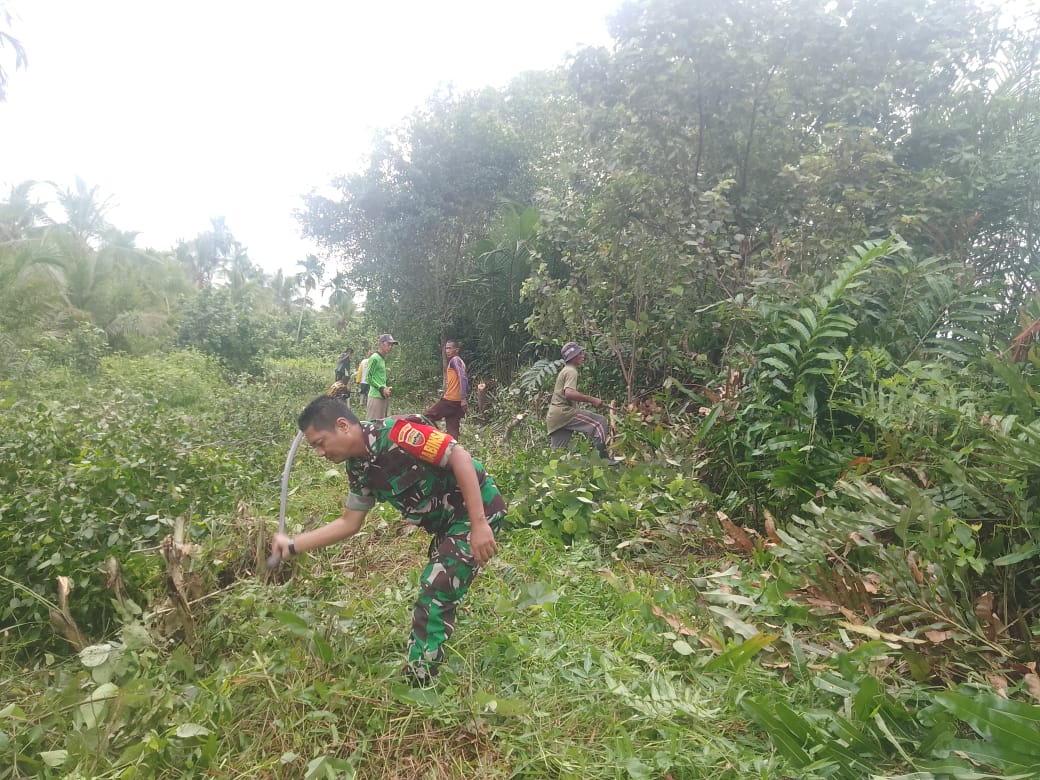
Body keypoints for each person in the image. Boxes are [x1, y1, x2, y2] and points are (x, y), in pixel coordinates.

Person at [270, 396, 506, 684]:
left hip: (476, 509)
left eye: (320, 442)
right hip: (446, 522)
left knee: (435, 588)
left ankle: (419, 682)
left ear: (342, 425)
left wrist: (479, 525)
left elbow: (459, 457)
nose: (320, 453)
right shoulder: (358, 468)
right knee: (443, 584)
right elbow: (349, 522)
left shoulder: (399, 433)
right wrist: (293, 546)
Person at [546, 341, 617, 463]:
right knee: (599, 422)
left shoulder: (565, 370)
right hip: (564, 412)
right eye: (580, 353)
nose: (583, 355)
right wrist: (592, 399)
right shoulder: (571, 371)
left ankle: (552, 477)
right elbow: (569, 393)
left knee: (557, 458)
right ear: (573, 356)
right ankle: (605, 462)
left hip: (555, 417)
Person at [424, 340, 469, 440]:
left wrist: (463, 398)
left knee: (427, 417)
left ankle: (436, 439)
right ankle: (452, 452)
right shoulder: (460, 361)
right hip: (457, 403)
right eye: (446, 348)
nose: (447, 351)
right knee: (453, 432)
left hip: (450, 400)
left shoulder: (455, 360)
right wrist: (463, 399)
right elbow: (463, 379)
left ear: (456, 350)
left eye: (449, 348)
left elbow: (463, 377)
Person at [365, 334, 398, 420]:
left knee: (381, 425)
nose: (390, 347)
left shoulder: (381, 359)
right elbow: (368, 377)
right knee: (372, 425)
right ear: (381, 344)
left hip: (382, 396)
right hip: (375, 397)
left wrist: (385, 389)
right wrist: (381, 388)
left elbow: (378, 379)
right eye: (389, 344)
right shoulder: (375, 358)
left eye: (392, 345)